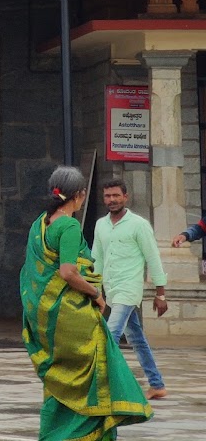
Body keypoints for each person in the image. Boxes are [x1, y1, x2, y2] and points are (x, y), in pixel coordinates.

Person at [21, 165, 150, 439]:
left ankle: (54, 432)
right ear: (79, 195)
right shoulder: (68, 225)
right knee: (95, 375)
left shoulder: (41, 223)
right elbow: (68, 272)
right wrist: (95, 294)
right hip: (73, 316)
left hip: (49, 320)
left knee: (61, 377)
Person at [92, 176, 168, 401]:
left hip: (128, 289)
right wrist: (95, 291)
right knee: (136, 338)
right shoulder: (100, 225)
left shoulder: (139, 225)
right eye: (108, 196)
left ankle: (105, 388)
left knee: (110, 335)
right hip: (111, 290)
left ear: (126, 197)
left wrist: (160, 293)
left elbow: (152, 258)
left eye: (116, 195)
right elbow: (97, 258)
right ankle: (156, 384)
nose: (112, 200)